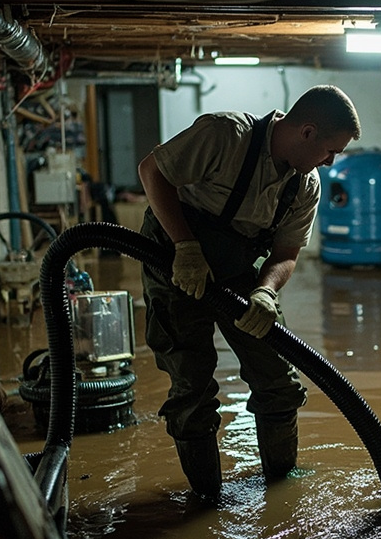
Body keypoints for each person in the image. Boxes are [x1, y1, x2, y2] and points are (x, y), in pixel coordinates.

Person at [138, 85, 362, 500]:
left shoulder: (304, 185)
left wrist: (265, 293)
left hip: (238, 269)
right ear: (308, 132)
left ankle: (281, 493)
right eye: (331, 151)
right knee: (192, 386)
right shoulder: (226, 135)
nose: (330, 163)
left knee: (278, 378)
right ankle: (206, 502)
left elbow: (286, 252)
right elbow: (153, 171)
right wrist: (186, 248)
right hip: (175, 256)